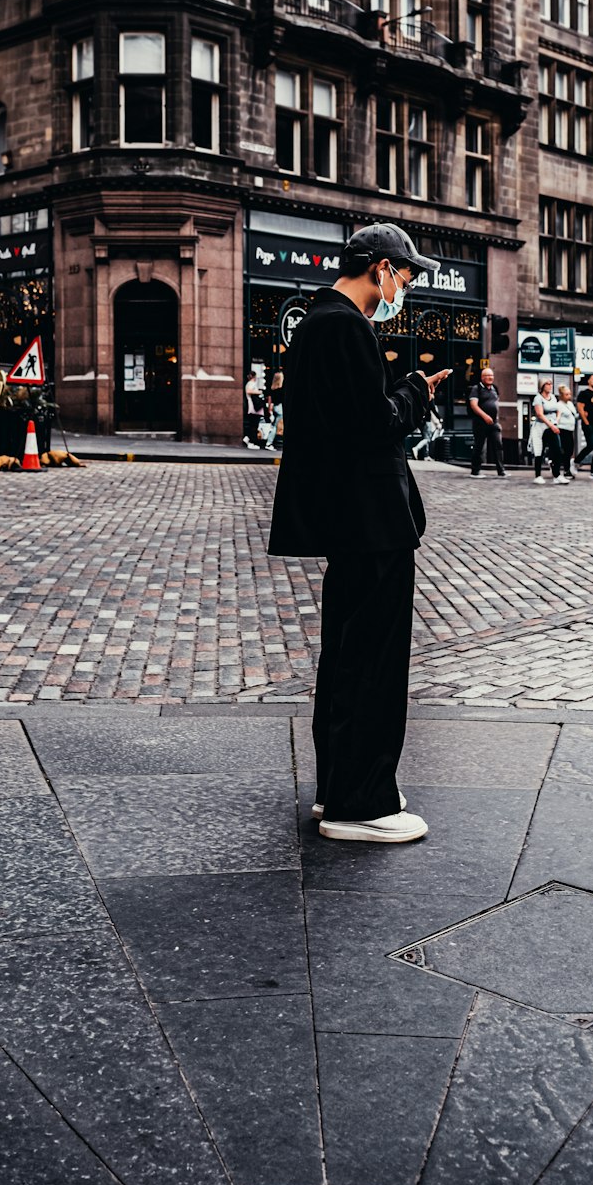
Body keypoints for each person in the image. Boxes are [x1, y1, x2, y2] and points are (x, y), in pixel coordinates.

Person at [268, 222, 450, 846]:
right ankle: (361, 804)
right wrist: (411, 392)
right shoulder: (343, 325)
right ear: (379, 268)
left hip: (355, 523)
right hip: (370, 524)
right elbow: (371, 425)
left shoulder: (322, 324)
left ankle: (344, 788)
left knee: (349, 659)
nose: (405, 287)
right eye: (404, 274)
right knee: (373, 663)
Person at [468, 366, 505, 477]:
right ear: (482, 377)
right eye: (487, 376)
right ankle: (475, 471)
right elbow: (473, 405)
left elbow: (496, 405)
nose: (490, 378)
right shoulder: (476, 388)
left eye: (491, 375)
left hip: (493, 423)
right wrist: (485, 416)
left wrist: (497, 420)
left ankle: (501, 470)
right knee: (479, 446)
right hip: (480, 423)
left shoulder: (495, 389)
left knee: (498, 445)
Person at [531, 378, 566, 485]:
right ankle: (538, 475)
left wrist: (557, 420)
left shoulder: (553, 398)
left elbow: (558, 409)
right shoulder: (538, 398)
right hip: (541, 427)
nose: (550, 385)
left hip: (551, 426)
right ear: (542, 386)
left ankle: (557, 475)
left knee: (557, 450)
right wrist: (551, 425)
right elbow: (540, 414)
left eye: (551, 384)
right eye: (547, 384)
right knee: (539, 450)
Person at [575, 373, 593, 479]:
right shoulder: (583, 393)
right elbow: (580, 408)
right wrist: (586, 422)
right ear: (588, 381)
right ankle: (576, 462)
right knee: (591, 445)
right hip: (588, 423)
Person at [555, 385, 579, 478]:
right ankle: (566, 470)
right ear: (561, 395)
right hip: (562, 429)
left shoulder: (570, 404)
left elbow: (573, 415)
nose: (569, 396)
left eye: (569, 394)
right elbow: (558, 417)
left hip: (570, 429)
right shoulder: (559, 405)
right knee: (566, 450)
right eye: (566, 394)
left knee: (569, 450)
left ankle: (565, 468)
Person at [243, 370, 264, 449]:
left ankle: (248, 438)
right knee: (254, 424)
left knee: (253, 424)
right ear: (254, 377)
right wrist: (259, 392)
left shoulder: (249, 383)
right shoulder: (251, 383)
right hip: (253, 407)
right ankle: (251, 442)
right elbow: (249, 391)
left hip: (252, 406)